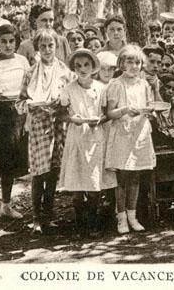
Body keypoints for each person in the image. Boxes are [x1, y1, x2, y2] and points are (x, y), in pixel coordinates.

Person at [17, 29, 74, 234]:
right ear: (37, 49)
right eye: (43, 46)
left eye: (51, 45)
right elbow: (21, 101)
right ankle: (36, 218)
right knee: (39, 171)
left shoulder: (65, 72)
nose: (48, 49)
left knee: (53, 171)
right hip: (39, 124)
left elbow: (71, 98)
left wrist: (63, 103)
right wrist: (30, 105)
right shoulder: (31, 72)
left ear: (56, 47)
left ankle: (49, 215)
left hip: (59, 123)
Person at [58, 49, 117, 237]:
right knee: (76, 183)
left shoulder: (101, 88)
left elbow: (107, 114)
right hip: (77, 137)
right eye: (78, 66)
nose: (82, 69)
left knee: (93, 181)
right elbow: (61, 114)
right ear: (74, 68)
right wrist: (72, 118)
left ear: (93, 67)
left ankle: (93, 223)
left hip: (95, 137)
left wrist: (99, 120)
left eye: (86, 65)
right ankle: (79, 223)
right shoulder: (69, 89)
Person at [105, 45, 156, 234]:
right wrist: (125, 110)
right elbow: (110, 113)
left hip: (140, 134)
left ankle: (133, 216)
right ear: (121, 63)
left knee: (135, 176)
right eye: (130, 62)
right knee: (122, 178)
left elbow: (148, 105)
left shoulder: (143, 84)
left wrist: (150, 113)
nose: (134, 66)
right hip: (122, 134)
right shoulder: (116, 84)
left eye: (137, 62)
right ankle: (121, 218)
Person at [0, 24, 30, 224]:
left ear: (16, 42)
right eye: (3, 41)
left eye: (11, 41)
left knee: (11, 160)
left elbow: (28, 86)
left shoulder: (23, 61)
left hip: (17, 112)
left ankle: (6, 205)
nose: (8, 45)